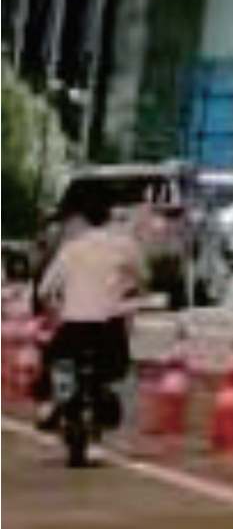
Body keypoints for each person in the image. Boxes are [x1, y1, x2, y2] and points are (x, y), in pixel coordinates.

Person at [41, 191, 156, 459]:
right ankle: (108, 422)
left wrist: (56, 310)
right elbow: (144, 277)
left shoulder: (71, 248)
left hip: (74, 326)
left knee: (56, 361)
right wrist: (133, 292)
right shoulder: (125, 246)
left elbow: (46, 290)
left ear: (83, 219)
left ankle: (56, 404)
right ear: (110, 217)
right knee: (118, 372)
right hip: (108, 327)